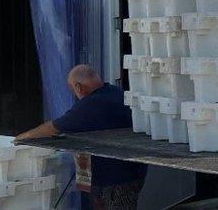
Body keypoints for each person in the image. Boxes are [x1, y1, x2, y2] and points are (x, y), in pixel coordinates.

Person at [16, 64, 146, 209]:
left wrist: (21, 138)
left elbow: (52, 128)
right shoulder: (117, 93)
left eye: (72, 90)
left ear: (78, 87)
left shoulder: (91, 105)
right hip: (132, 173)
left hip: (114, 179)